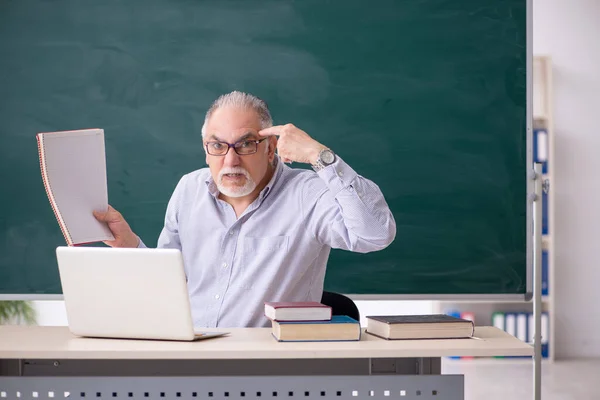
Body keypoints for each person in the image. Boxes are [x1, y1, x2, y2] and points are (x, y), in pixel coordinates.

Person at [94, 91, 396, 327]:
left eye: (246, 144)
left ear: (270, 147)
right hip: (188, 355)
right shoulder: (189, 189)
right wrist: (129, 246)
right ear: (205, 150)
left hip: (270, 369)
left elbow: (375, 234)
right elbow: (169, 286)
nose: (230, 160)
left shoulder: (307, 193)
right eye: (218, 146)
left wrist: (320, 156)